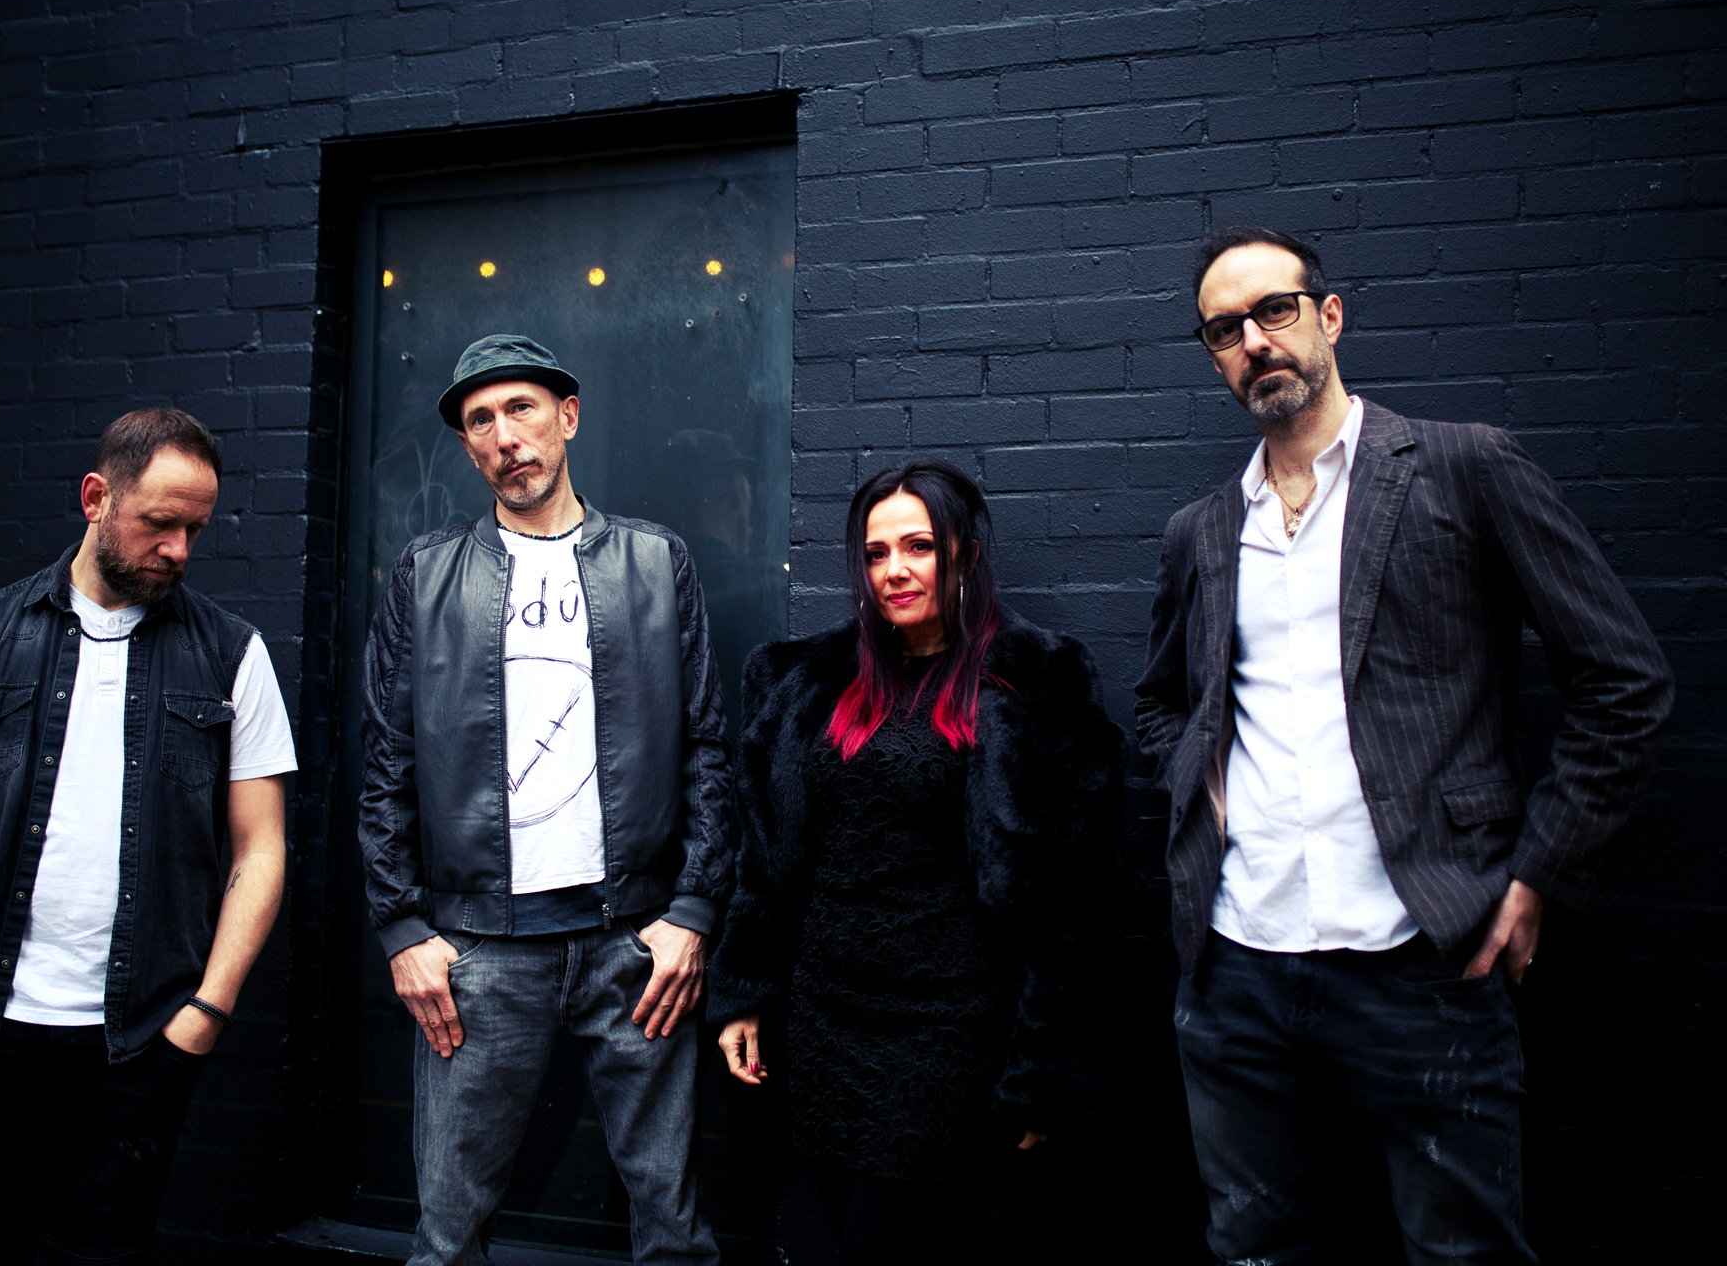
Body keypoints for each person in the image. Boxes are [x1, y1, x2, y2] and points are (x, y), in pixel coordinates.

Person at [1135, 226, 1674, 1264]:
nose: (1255, 340)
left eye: (1275, 310)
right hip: (1236, 967)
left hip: (1425, 961)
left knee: (1462, 1252)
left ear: (1329, 316)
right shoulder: (1201, 529)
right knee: (1254, 1250)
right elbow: (1162, 702)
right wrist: (1204, 785)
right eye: (1225, 329)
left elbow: (1624, 679)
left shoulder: (1465, 467)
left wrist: (1540, 873)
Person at [0, 406, 297, 1264]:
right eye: (160, 523)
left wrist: (204, 1016)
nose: (179, 550)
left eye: (196, 530)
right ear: (96, 498)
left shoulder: (233, 655)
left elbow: (261, 849)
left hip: (140, 1042)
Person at [358, 333, 733, 1266]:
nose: (504, 436)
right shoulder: (426, 573)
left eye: (521, 409)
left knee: (675, 1232)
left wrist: (692, 912)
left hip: (635, 945)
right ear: (467, 448)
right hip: (478, 952)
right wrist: (402, 928)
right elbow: (386, 762)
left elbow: (708, 748)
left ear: (567, 417)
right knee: (447, 1238)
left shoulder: (655, 561)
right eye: (480, 421)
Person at [708, 458, 1124, 1262]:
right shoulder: (810, 682)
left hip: (949, 1031)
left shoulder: (1034, 681)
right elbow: (764, 856)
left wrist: (1047, 1070)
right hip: (826, 1021)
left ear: (965, 553)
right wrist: (745, 991)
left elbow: (1076, 902)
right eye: (875, 553)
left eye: (918, 546)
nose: (894, 570)